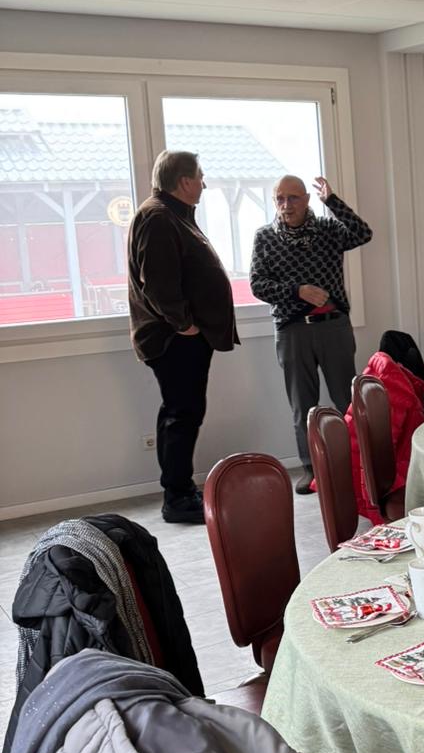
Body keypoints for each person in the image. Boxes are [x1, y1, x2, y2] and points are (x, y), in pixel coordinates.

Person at [127, 150, 237, 524]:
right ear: (185, 181)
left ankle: (179, 489)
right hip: (174, 339)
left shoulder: (172, 214)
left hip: (181, 337)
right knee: (182, 414)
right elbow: (158, 283)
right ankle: (177, 497)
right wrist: (184, 325)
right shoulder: (159, 217)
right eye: (200, 176)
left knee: (180, 412)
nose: (204, 183)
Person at [250, 175, 372, 494]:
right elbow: (257, 285)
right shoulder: (265, 237)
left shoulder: (328, 230)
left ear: (306, 200)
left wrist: (332, 201)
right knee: (303, 405)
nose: (286, 205)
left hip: (333, 327)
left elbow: (363, 233)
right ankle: (311, 468)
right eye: (280, 198)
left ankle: (359, 463)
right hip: (292, 331)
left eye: (293, 198)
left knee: (346, 400)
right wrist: (297, 291)